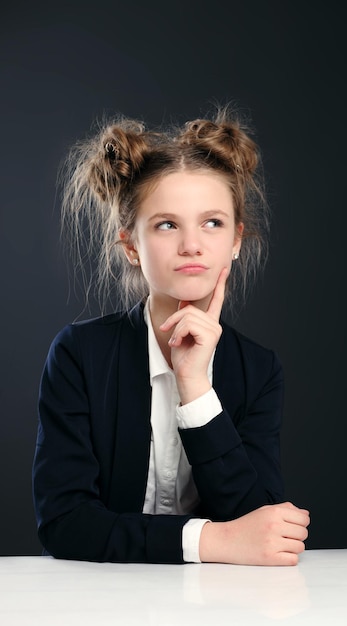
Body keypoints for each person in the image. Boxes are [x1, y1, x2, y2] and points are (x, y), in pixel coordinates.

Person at [32, 104, 310, 566]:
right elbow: (65, 523)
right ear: (131, 245)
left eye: (212, 222)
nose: (191, 244)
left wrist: (196, 386)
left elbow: (258, 526)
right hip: (94, 599)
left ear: (236, 241)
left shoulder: (258, 370)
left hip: (218, 604)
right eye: (166, 224)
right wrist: (211, 542)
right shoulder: (79, 355)